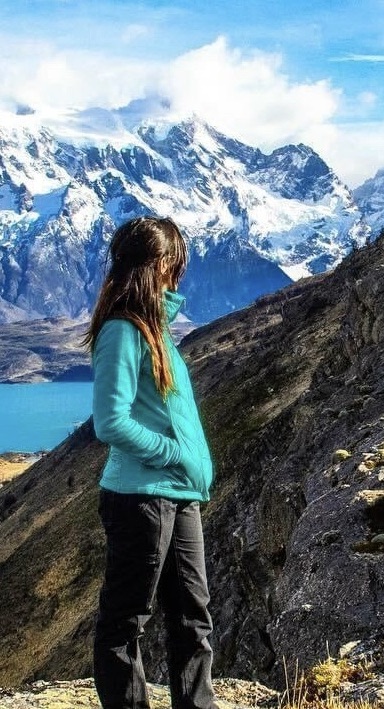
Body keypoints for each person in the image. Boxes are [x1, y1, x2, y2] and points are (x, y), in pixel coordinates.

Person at [84, 216, 217, 709]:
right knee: (125, 620)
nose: (179, 273)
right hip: (140, 496)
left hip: (178, 495)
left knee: (193, 615)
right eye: (176, 262)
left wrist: (185, 467)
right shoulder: (123, 330)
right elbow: (111, 422)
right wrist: (176, 455)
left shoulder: (156, 329)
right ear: (161, 264)